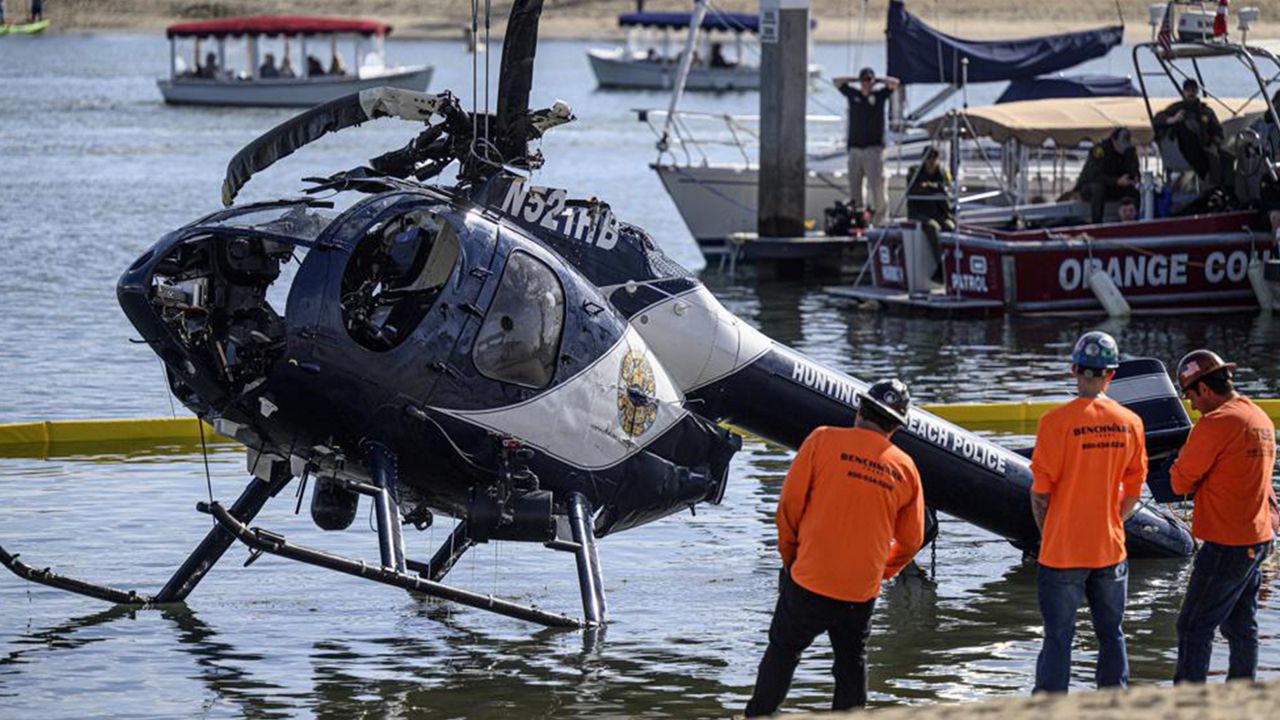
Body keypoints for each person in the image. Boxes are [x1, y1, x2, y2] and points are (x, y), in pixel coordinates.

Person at [743, 379, 924, 717]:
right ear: (896, 427)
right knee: (851, 663)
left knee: (783, 651)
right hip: (860, 590)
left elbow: (788, 509)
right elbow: (912, 540)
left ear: (859, 411)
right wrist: (880, 572)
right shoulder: (906, 468)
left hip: (810, 578)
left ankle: (759, 715)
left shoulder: (823, 440)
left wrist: (792, 557)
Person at [1029, 331, 1147, 694]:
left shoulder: (1055, 422)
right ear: (1111, 375)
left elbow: (1040, 496)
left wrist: (1049, 532)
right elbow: (1134, 489)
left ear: (1074, 370)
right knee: (1112, 634)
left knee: (1058, 637)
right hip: (1109, 550)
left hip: (1063, 550)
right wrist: (1113, 522)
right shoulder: (1131, 422)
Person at [1169, 350, 1278, 684]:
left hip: (1227, 544)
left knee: (1193, 626)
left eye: (1190, 396)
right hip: (1257, 539)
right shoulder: (1258, 417)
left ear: (1204, 388)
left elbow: (1179, 481)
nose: (1192, 406)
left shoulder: (1216, 423)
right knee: (1241, 626)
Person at [834, 67, 900, 224]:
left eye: (868, 80)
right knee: (855, 187)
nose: (866, 83)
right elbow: (836, 82)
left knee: (877, 186)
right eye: (863, 80)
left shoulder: (879, 96)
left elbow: (894, 83)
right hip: (855, 149)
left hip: (873, 150)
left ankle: (881, 220)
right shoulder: (853, 95)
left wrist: (878, 81)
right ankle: (858, 219)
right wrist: (855, 80)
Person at [1154, 78, 1224, 184]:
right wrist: (1172, 119)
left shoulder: (1205, 111)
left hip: (1205, 148)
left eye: (1193, 90)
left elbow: (1217, 131)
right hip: (1183, 151)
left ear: (1197, 91)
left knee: (1221, 160)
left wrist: (1215, 143)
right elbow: (1158, 119)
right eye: (1188, 90)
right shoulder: (1176, 108)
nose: (1191, 93)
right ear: (1184, 92)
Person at [905, 147, 953, 283]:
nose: (931, 162)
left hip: (938, 212)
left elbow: (946, 189)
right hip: (919, 212)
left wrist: (930, 187)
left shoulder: (943, 173)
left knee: (950, 227)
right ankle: (940, 265)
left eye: (934, 159)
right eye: (929, 159)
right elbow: (915, 189)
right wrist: (934, 188)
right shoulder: (914, 172)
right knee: (933, 227)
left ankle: (952, 265)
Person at [1075, 128, 1140, 224]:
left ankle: (1133, 220)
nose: (1123, 148)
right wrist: (1116, 181)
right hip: (1091, 188)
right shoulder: (1100, 150)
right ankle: (1097, 223)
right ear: (1113, 140)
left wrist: (1134, 177)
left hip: (1116, 186)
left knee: (1135, 193)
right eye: (1120, 145)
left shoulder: (1129, 150)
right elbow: (1094, 175)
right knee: (1098, 188)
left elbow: (1134, 168)